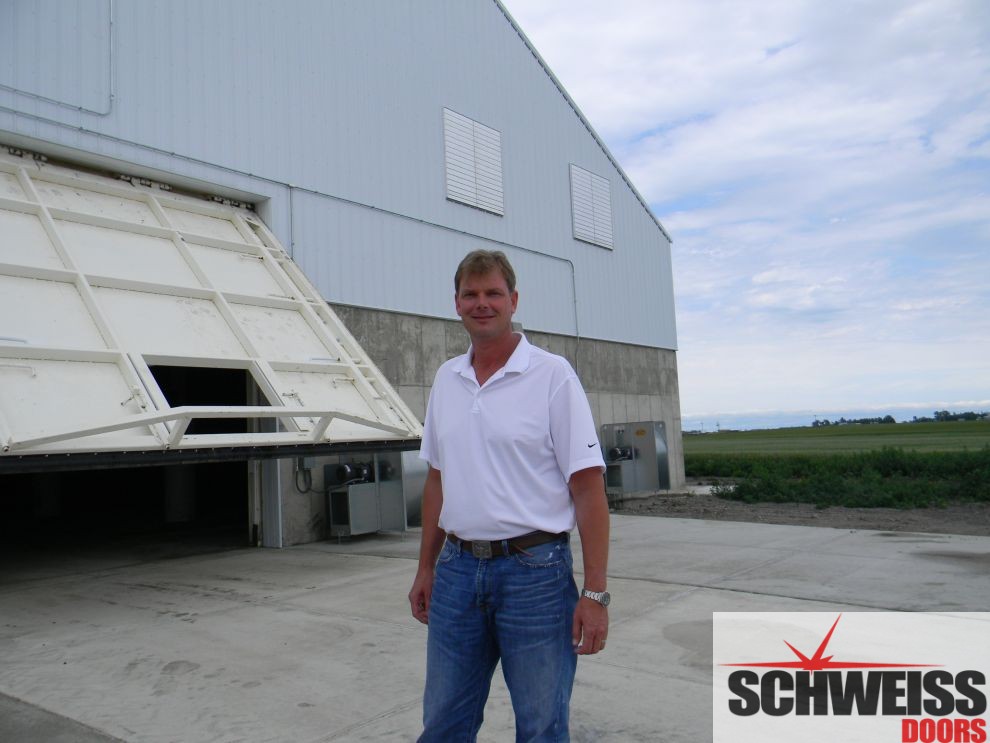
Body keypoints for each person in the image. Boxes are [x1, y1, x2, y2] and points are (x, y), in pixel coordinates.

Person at [408, 249, 610, 742]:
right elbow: (437, 479)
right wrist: (427, 567)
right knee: (443, 725)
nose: (482, 303)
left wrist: (595, 592)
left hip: (535, 577)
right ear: (455, 303)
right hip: (456, 575)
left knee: (542, 726)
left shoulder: (552, 375)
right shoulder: (446, 379)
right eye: (470, 294)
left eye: (493, 293)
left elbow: (587, 487)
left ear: (513, 300)